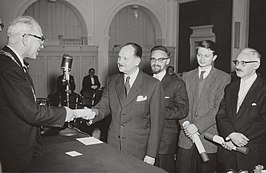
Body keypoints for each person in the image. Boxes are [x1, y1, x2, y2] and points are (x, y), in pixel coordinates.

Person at [0, 16, 88, 172]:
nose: (42, 44)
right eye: (40, 39)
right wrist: (65, 113)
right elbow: (31, 112)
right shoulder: (10, 68)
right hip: (16, 150)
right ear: (26, 39)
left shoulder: (12, 63)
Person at [86, 42, 165, 165]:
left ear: (137, 61)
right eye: (119, 57)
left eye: (125, 58)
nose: (120, 61)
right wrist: (91, 112)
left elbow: (157, 124)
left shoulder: (153, 85)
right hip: (113, 147)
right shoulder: (112, 81)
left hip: (139, 150)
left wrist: (151, 154)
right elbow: (103, 107)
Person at [176, 40, 231, 173]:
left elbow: (218, 108)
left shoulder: (224, 78)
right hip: (186, 137)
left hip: (208, 139)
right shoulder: (186, 76)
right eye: (199, 55)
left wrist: (197, 126)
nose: (202, 59)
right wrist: (186, 125)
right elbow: (181, 104)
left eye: (206, 56)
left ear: (214, 57)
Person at [216, 48, 266, 172]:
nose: (238, 66)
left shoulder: (263, 88)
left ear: (256, 65)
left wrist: (239, 139)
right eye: (236, 62)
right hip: (228, 152)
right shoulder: (230, 87)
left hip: (252, 152)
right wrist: (231, 135)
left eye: (243, 63)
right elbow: (221, 115)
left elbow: (263, 121)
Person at [150, 45, 189, 172]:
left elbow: (183, 110)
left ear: (167, 61)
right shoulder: (144, 81)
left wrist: (157, 112)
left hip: (165, 141)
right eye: (153, 59)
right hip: (143, 138)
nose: (156, 63)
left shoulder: (177, 83)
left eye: (160, 59)